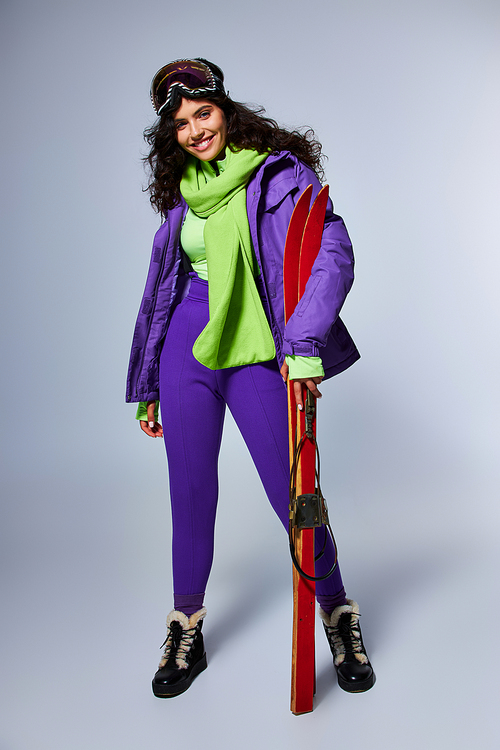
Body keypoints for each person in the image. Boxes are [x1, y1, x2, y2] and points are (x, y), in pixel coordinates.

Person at [126, 58, 375, 699]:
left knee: (294, 494)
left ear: (225, 111)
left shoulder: (276, 174)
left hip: (258, 342)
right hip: (187, 344)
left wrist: (304, 345)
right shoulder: (184, 191)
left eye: (202, 114)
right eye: (180, 124)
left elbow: (332, 250)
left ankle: (338, 611)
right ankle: (187, 625)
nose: (194, 130)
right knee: (189, 489)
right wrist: (149, 379)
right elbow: (162, 291)